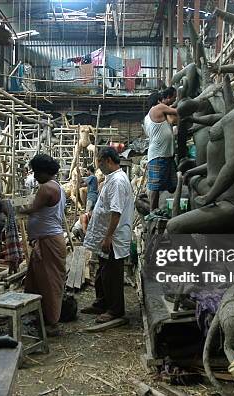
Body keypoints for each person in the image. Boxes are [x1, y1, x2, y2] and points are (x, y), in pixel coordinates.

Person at [82, 148, 134, 323]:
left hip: (114, 235)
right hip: (106, 233)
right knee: (102, 270)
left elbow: (116, 211)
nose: (99, 167)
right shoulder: (112, 179)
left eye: (100, 163)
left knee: (112, 272)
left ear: (108, 161)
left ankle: (115, 310)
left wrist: (109, 236)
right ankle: (101, 303)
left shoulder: (118, 181)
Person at [18, 154, 67, 336]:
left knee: (49, 282)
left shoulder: (46, 188)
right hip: (46, 239)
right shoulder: (54, 186)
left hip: (49, 241)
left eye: (37, 172)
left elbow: (32, 209)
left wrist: (12, 209)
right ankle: (39, 315)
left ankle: (53, 323)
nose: (35, 176)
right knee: (37, 280)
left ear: (45, 172)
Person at [144, 87, 178, 211]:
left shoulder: (148, 116)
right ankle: (153, 212)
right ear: (159, 101)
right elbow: (177, 111)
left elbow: (172, 119)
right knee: (155, 188)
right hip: (159, 155)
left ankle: (156, 210)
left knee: (171, 185)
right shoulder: (157, 108)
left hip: (164, 155)